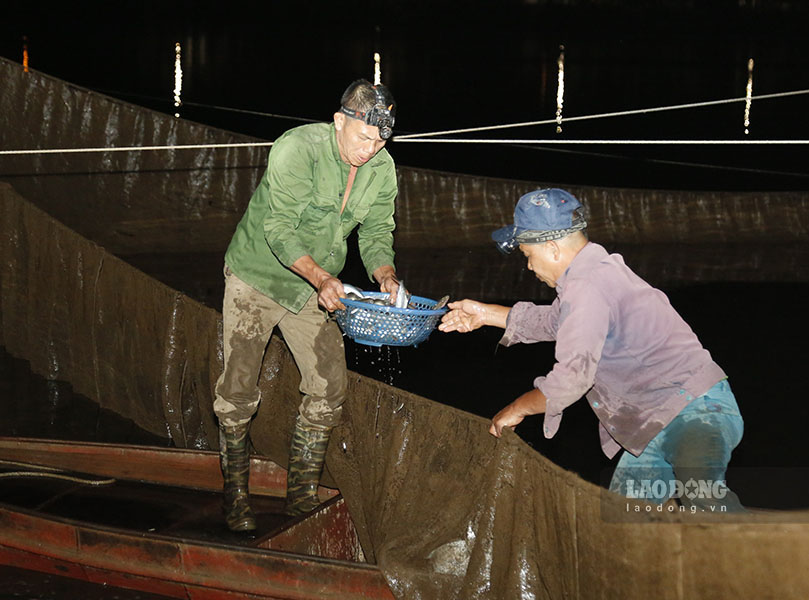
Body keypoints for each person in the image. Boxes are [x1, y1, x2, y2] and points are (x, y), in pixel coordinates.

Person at [438, 188, 745, 512]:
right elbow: (555, 321)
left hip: (696, 411)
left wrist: (517, 408)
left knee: (709, 504)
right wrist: (484, 314)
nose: (528, 267)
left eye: (528, 255)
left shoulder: (588, 286)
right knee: (621, 523)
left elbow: (571, 380)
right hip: (658, 420)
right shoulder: (595, 271)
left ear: (553, 248)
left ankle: (775, 557)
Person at [214, 79, 402, 531]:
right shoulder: (297, 148)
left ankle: (299, 498)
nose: (370, 149)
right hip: (257, 276)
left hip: (316, 288)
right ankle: (235, 497)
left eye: (381, 140)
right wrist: (321, 278)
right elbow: (278, 228)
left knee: (329, 386)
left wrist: (386, 275)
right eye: (363, 137)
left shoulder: (383, 168)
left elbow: (377, 233)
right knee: (237, 391)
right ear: (340, 121)